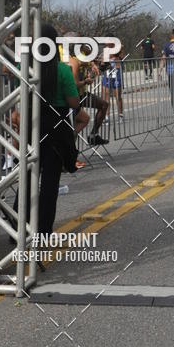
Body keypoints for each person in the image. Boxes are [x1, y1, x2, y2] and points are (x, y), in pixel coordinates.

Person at [38, 23, 80, 237]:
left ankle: (16, 225)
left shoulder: (27, 68)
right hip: (55, 127)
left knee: (27, 176)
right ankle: (43, 229)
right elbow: (73, 103)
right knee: (50, 181)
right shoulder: (62, 70)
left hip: (32, 125)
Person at [63, 35, 109, 148]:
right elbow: (74, 83)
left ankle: (93, 135)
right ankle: (69, 151)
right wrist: (86, 81)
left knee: (104, 105)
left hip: (81, 94)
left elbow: (90, 61)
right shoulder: (73, 60)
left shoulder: (83, 57)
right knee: (79, 122)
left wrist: (95, 65)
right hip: (73, 96)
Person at [101, 42, 124, 122]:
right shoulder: (105, 50)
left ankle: (120, 115)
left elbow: (120, 55)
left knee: (117, 95)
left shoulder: (118, 48)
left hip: (116, 73)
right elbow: (103, 61)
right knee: (106, 96)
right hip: (106, 74)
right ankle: (106, 116)